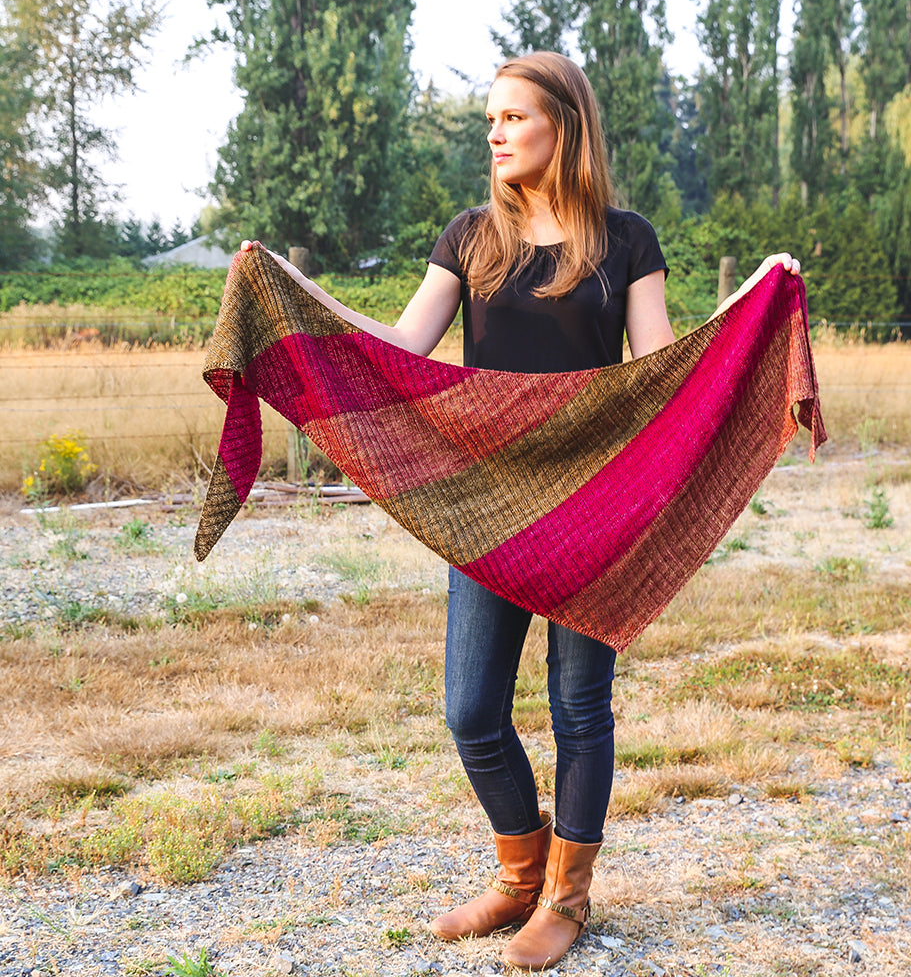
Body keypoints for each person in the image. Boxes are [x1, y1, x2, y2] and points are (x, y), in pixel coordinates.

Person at [255, 50, 799, 971]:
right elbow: (405, 347)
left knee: (579, 708)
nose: (496, 134)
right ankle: (518, 872)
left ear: (565, 126)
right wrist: (295, 294)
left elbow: (661, 369)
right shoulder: (470, 237)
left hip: (595, 503)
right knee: (470, 709)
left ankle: (566, 899)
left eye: (513, 117)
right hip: (492, 504)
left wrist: (757, 297)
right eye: (491, 121)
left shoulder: (627, 240)